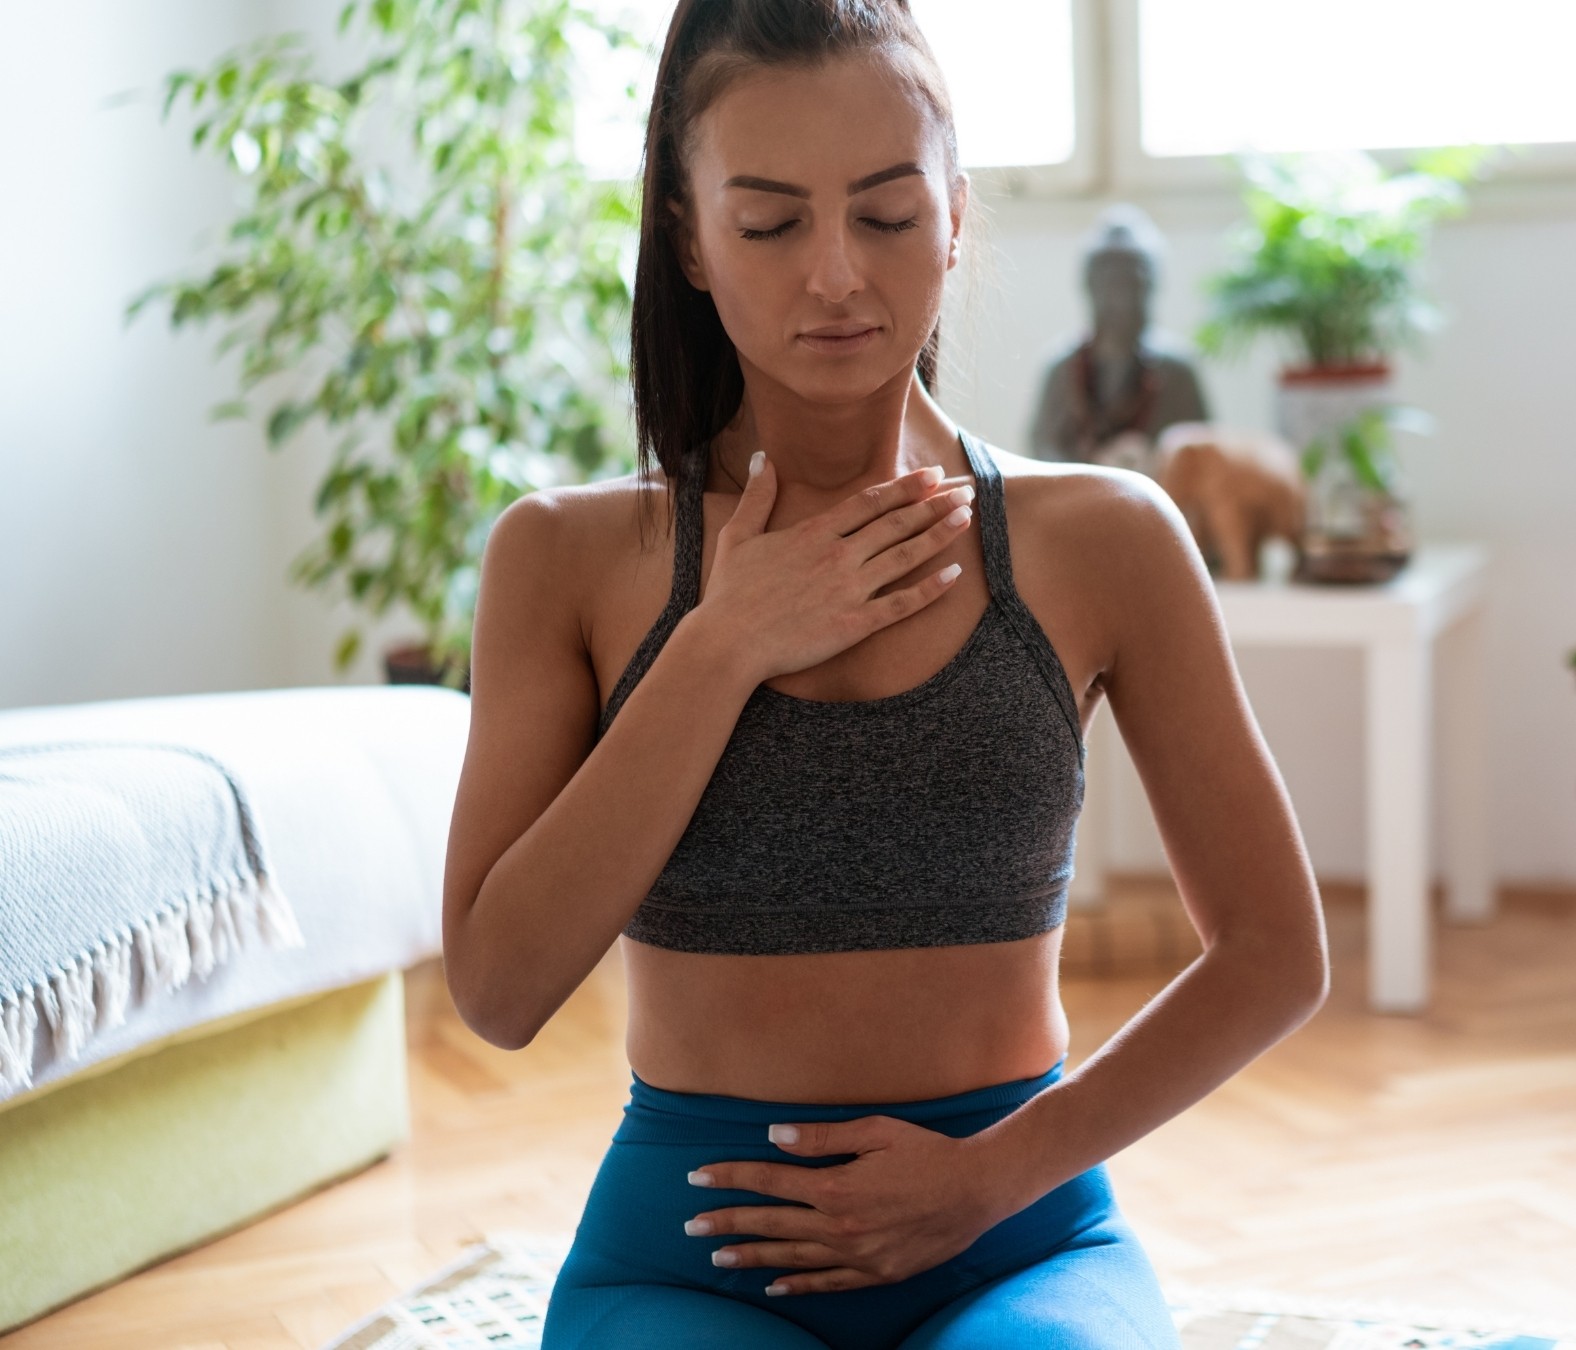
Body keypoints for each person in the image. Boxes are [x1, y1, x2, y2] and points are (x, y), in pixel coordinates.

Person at [441, 1, 1327, 1346]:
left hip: (1017, 1235)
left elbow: (1276, 953)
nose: (839, 277)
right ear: (688, 235)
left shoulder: (1104, 540)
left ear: (957, 215)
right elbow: (499, 990)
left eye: (887, 214)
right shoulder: (566, 559)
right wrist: (723, 642)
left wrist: (987, 1179)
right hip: (682, 1256)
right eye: (771, 221)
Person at [1028, 205, 1209, 469]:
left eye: (1134, 286)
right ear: (1091, 288)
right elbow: (1041, 452)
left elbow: (1203, 456)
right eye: (1112, 285)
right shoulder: (1063, 369)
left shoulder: (1177, 371)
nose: (1123, 302)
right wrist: (1093, 468)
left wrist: (1153, 461)